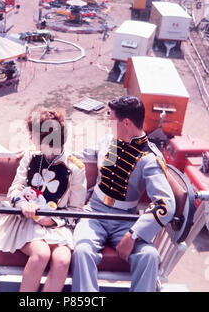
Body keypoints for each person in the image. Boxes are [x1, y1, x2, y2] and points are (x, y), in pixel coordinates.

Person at [71, 95, 175, 292]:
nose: (108, 125)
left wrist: (133, 235)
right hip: (93, 213)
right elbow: (79, 155)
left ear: (126, 122)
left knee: (149, 256)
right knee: (83, 250)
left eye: (111, 119)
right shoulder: (108, 141)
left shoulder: (149, 158)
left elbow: (165, 204)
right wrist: (40, 151)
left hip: (125, 220)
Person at [0, 107, 87, 292]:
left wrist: (53, 220)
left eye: (33, 135)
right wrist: (22, 203)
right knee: (41, 254)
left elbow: (76, 210)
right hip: (26, 220)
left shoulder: (75, 168)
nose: (30, 139)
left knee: (62, 260)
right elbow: (15, 188)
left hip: (57, 226)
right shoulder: (31, 156)